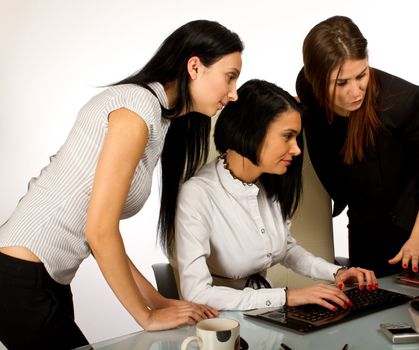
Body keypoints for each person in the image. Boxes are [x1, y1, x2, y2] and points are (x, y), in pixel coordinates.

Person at [0, 19, 243, 349]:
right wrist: (145, 316)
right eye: (230, 76)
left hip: (43, 278)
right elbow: (99, 232)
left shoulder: (158, 117)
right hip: (20, 276)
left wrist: (156, 301)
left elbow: (100, 231)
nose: (234, 92)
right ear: (195, 67)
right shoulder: (137, 107)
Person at [173, 79, 377, 311]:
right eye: (287, 136)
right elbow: (197, 293)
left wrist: (337, 272)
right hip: (221, 326)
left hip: (268, 316)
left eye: (296, 138)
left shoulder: (268, 181)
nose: (297, 149)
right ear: (251, 131)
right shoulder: (198, 194)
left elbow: (284, 249)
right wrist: (286, 297)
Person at [296, 15, 419, 277]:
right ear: (316, 79)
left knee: (418, 311)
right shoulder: (307, 87)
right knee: (368, 303)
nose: (356, 91)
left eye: (362, 75)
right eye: (341, 83)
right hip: (365, 222)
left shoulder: (409, 102)